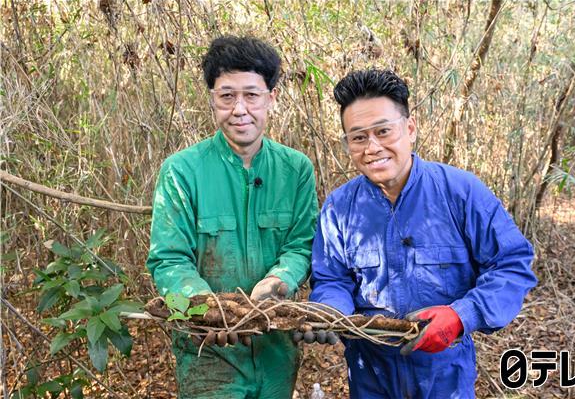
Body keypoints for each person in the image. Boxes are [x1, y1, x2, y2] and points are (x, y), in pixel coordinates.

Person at [309, 69, 537, 398]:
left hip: (445, 373)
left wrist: (462, 315)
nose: (372, 147)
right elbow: (331, 279)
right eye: (358, 137)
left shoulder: (461, 193)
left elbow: (512, 264)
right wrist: (331, 312)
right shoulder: (339, 208)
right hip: (370, 371)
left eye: (383, 131)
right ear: (347, 144)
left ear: (410, 128)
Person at [146, 36, 318, 399]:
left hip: (276, 349)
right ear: (212, 99)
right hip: (206, 351)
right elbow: (168, 259)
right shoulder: (181, 171)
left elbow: (301, 246)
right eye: (227, 96)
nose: (240, 109)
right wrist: (206, 308)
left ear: (271, 98)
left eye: (252, 95)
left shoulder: (296, 169)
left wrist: (278, 282)